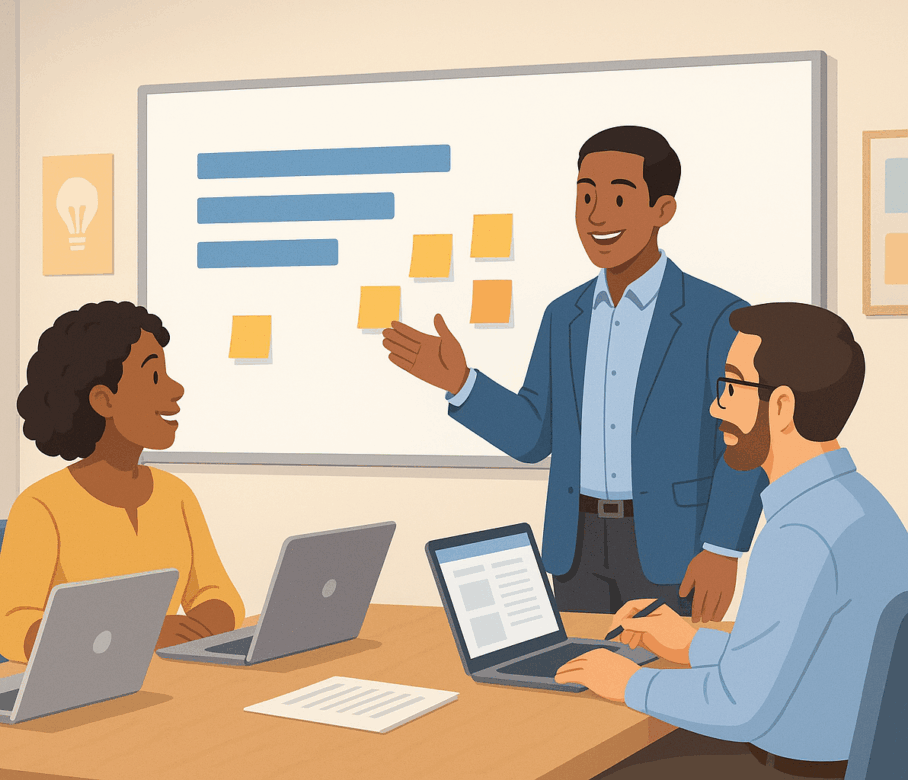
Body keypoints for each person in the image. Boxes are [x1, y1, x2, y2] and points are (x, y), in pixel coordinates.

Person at [382, 126, 767, 621]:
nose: (597, 215)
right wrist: (461, 384)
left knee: (657, 687)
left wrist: (723, 548)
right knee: (572, 682)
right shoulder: (563, 316)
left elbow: (745, 439)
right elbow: (533, 435)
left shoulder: (719, 317)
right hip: (576, 547)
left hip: (673, 548)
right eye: (585, 195)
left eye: (619, 198)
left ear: (662, 210)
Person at [555, 302, 908, 779]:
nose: (715, 406)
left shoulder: (801, 534)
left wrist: (630, 681)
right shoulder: (856, 503)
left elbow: (741, 706)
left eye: (732, 386)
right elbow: (799, 659)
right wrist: (692, 644)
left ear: (782, 406)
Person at [0, 301, 244, 662]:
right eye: (155, 377)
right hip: (81, 687)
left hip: (166, 676)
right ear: (104, 400)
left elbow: (215, 591)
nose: (176, 390)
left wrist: (201, 626)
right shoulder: (40, 507)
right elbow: (12, 626)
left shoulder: (176, 496)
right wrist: (136, 633)